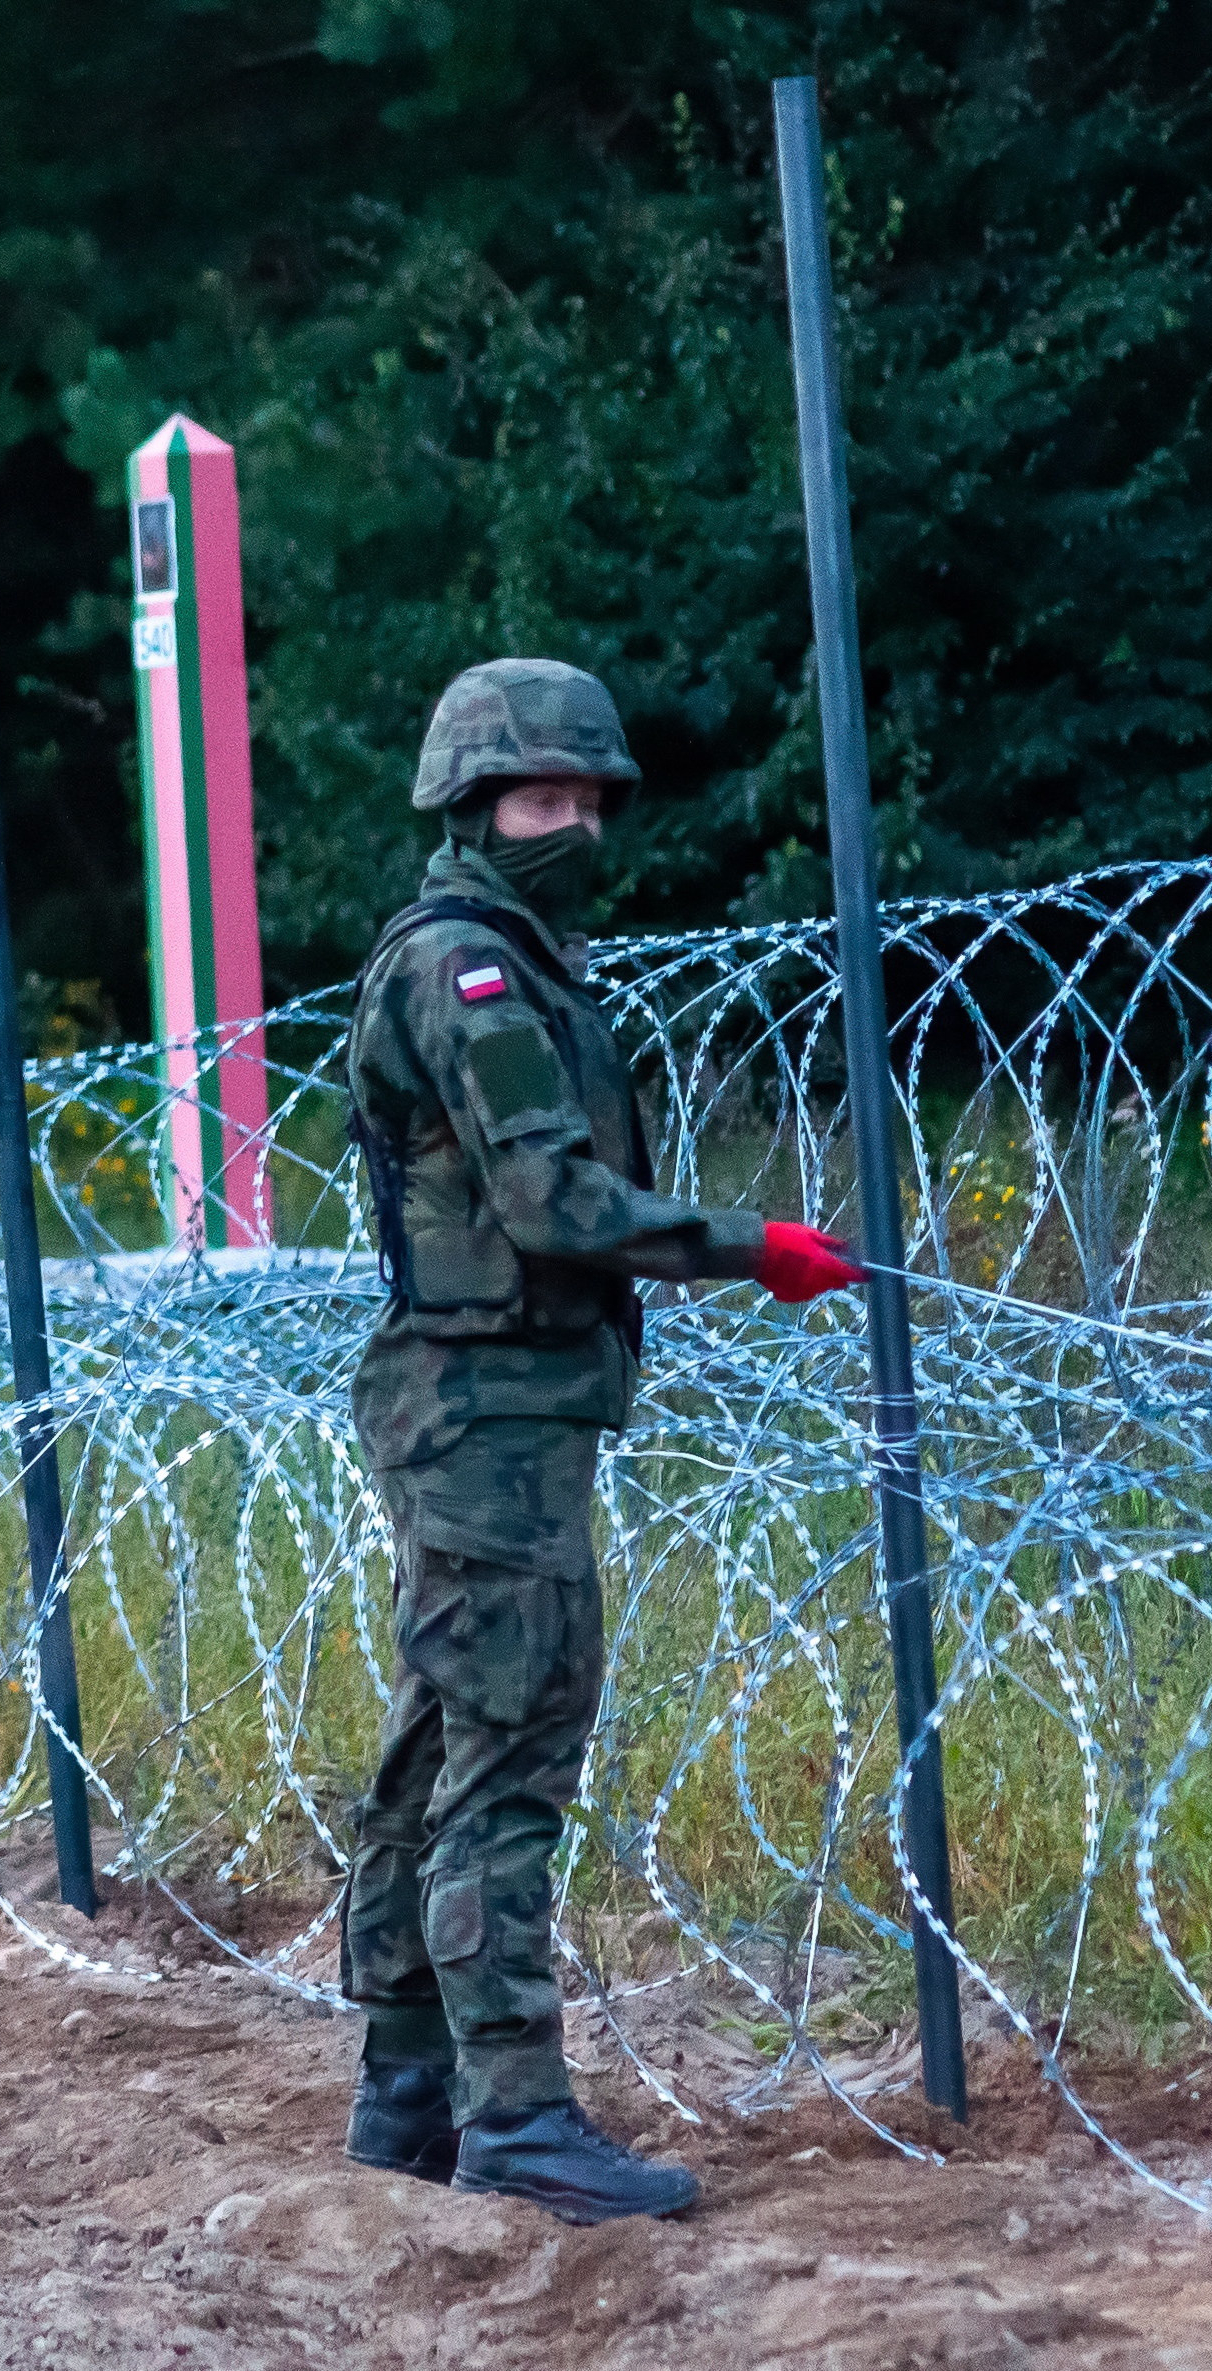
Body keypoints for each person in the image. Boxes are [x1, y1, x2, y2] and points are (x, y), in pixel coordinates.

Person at [339, 660, 864, 2224]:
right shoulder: (467, 972)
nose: (565, 820)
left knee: (437, 1750)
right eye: (536, 797)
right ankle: (511, 2117)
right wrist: (741, 1244)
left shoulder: (512, 955)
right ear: (469, 803)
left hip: (494, 1404)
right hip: (484, 1408)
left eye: (582, 796)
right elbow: (550, 1202)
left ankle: (406, 2099)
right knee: (505, 1757)